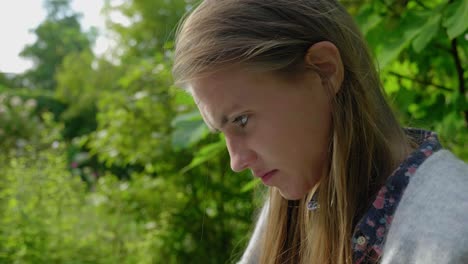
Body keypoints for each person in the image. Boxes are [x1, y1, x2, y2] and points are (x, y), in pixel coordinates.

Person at [172, 0, 468, 263]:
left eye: (241, 120)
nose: (236, 162)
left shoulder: (455, 232)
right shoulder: (291, 213)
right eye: (220, 132)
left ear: (324, 70)